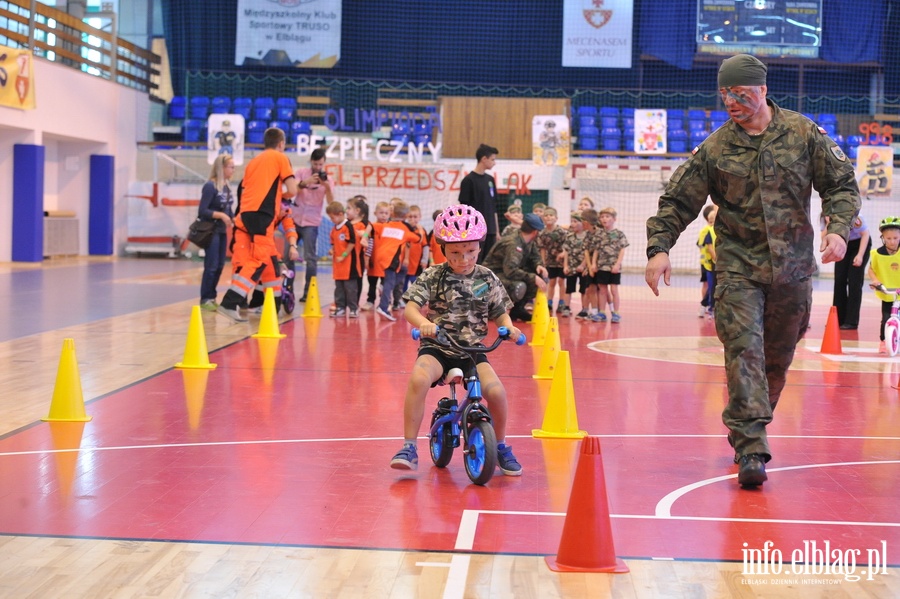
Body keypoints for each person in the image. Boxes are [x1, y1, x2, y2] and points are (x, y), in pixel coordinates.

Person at [644, 54, 860, 488]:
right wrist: (658, 248)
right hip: (739, 267)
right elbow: (678, 200)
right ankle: (751, 446)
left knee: (776, 359)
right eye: (725, 95)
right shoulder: (716, 147)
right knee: (744, 351)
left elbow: (840, 185)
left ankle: (753, 422)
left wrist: (837, 230)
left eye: (741, 94)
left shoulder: (802, 134)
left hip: (794, 270)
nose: (732, 103)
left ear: (763, 90)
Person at [389, 204, 524, 476]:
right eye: (455, 253)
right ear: (443, 250)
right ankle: (408, 446)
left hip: (473, 350)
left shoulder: (486, 277)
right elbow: (411, 309)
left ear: (479, 248)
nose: (464, 259)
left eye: (471, 252)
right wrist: (425, 324)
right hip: (438, 347)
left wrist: (509, 328)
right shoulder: (433, 276)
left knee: (496, 392)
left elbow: (500, 312)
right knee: (418, 378)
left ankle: (500, 445)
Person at [218, 127, 299, 321]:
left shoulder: (253, 162)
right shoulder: (281, 158)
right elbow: (293, 190)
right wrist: (283, 195)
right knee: (260, 260)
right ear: (281, 144)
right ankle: (230, 302)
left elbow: (246, 188)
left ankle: (271, 305)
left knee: (270, 260)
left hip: (245, 214)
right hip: (262, 215)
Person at [482, 213, 548, 322]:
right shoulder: (513, 243)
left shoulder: (527, 240)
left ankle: (518, 310)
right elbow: (511, 271)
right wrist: (533, 278)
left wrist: (539, 266)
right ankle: (492, 310)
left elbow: (535, 256)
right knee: (519, 286)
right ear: (535, 232)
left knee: (541, 277)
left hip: (503, 273)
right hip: (490, 278)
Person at [292, 148, 334, 302]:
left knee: (311, 258)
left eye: (320, 164)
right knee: (287, 256)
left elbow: (331, 203)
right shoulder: (301, 172)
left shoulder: (327, 179)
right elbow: (291, 191)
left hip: (312, 223)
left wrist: (327, 187)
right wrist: (305, 183)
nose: (317, 167)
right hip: (294, 220)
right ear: (311, 161)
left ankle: (307, 292)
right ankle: (286, 289)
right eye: (315, 164)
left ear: (324, 163)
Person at [370, 200, 422, 322]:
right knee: (390, 281)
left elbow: (371, 225)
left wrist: (365, 235)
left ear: (392, 213)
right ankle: (383, 307)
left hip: (380, 257)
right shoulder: (405, 229)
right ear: (405, 216)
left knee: (403, 270)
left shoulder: (385, 225)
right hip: (391, 259)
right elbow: (417, 239)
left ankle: (384, 287)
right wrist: (418, 229)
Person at [198, 154, 235, 311]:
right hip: (211, 230)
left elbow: (229, 209)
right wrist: (220, 215)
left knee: (220, 265)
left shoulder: (226, 186)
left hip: (222, 230)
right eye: (230, 167)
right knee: (211, 265)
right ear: (222, 168)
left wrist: (234, 220)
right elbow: (202, 211)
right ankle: (205, 297)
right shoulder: (210, 186)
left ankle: (212, 296)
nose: (233, 170)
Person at [821, 215, 870, 330]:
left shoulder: (853, 215)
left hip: (859, 245)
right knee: (839, 281)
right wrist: (829, 223)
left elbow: (865, 234)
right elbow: (823, 237)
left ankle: (851, 321)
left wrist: (860, 255)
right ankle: (837, 319)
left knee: (854, 283)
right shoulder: (824, 217)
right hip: (843, 244)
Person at [458, 143, 500, 263]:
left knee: (489, 262)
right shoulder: (468, 180)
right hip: (475, 230)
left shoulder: (490, 180)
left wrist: (496, 230)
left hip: (490, 230)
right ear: (484, 159)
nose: (494, 162)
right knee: (475, 261)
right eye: (493, 159)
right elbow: (463, 210)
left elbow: (493, 207)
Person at [867, 217, 900, 354]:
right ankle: (883, 341)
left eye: (895, 238)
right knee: (886, 318)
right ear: (883, 238)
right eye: (888, 238)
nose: (892, 241)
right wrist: (875, 281)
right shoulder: (876, 254)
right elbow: (871, 269)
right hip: (888, 292)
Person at [593, 207, 628, 323]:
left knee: (614, 290)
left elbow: (622, 250)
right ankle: (602, 312)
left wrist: (617, 264)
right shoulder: (598, 234)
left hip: (614, 267)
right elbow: (596, 250)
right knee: (602, 290)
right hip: (602, 266)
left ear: (614, 219)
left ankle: (616, 313)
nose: (604, 219)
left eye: (607, 216)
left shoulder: (619, 234)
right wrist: (593, 264)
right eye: (602, 217)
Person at [326, 201, 361, 318]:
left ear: (340, 214)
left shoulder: (348, 226)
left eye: (332, 217)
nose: (331, 220)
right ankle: (340, 307)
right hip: (338, 265)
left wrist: (344, 255)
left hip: (349, 264)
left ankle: (353, 308)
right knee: (339, 288)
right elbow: (334, 243)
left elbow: (352, 243)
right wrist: (332, 250)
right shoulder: (334, 229)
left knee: (350, 288)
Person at [536, 207, 567, 315]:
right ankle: (549, 301)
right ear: (543, 218)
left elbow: (566, 247)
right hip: (550, 262)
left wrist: (563, 255)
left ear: (556, 218)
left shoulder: (561, 231)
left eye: (551, 215)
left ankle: (562, 302)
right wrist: (543, 262)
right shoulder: (542, 233)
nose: (548, 217)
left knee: (561, 282)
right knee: (551, 282)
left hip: (562, 262)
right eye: (546, 215)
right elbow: (542, 248)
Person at [561, 212, 589, 317]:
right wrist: (565, 266)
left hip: (583, 268)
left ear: (582, 223)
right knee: (569, 288)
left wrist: (583, 265)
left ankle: (584, 309)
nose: (572, 224)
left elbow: (588, 252)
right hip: (572, 267)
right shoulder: (569, 236)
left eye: (575, 221)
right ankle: (566, 307)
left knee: (583, 289)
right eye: (571, 221)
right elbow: (566, 252)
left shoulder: (587, 236)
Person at [697, 205, 718, 318]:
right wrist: (714, 258)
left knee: (711, 285)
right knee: (710, 285)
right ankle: (707, 306)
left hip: (711, 263)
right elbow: (704, 246)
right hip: (709, 263)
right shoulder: (707, 231)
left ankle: (706, 305)